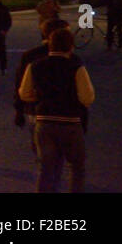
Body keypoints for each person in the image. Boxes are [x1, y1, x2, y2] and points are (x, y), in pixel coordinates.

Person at [17, 27, 95, 193]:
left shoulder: (35, 66)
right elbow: (87, 98)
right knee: (76, 167)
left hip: (45, 122)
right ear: (70, 46)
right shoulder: (76, 67)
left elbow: (24, 93)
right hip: (70, 122)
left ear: (50, 45)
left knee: (46, 169)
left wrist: (40, 98)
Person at [14, 17, 70, 144]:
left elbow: (20, 85)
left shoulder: (31, 56)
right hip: (64, 112)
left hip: (37, 110)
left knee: (42, 149)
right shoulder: (71, 59)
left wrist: (19, 109)